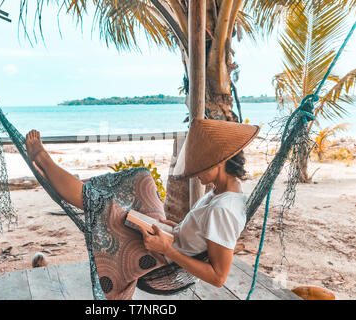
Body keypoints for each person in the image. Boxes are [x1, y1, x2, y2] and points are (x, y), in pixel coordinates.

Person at [25, 118, 259, 289]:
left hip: (163, 267)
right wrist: (176, 227)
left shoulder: (224, 210)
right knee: (141, 177)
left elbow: (218, 278)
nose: (195, 172)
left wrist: (166, 248)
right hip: (169, 236)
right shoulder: (223, 191)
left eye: (199, 166)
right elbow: (203, 232)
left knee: (105, 207)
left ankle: (45, 162)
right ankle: (68, 182)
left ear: (220, 162)